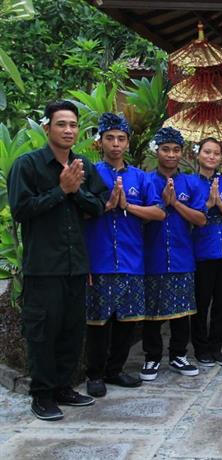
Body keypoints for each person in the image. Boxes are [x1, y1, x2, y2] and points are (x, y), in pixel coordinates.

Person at [8, 100, 108, 421]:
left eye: (73, 125)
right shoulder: (28, 165)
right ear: (47, 127)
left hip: (76, 264)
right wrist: (61, 190)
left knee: (71, 330)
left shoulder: (83, 165)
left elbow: (99, 205)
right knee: (43, 332)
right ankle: (42, 395)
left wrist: (76, 192)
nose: (68, 130)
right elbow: (22, 210)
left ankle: (64, 387)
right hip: (44, 266)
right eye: (61, 124)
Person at [84, 113, 165, 398]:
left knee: (127, 321)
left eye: (121, 139)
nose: (116, 144)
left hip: (132, 259)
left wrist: (127, 206)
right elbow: (79, 211)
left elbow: (158, 212)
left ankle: (115, 370)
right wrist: (107, 206)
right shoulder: (90, 173)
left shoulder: (140, 178)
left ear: (128, 143)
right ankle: (94, 374)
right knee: (98, 321)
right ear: (101, 142)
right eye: (110, 138)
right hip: (100, 259)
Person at [141, 127, 207, 381]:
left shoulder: (191, 182)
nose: (171, 154)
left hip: (182, 255)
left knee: (183, 311)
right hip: (152, 256)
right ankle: (151, 357)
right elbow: (136, 218)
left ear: (182, 153)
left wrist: (175, 203)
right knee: (152, 312)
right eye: (166, 149)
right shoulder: (146, 181)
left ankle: (179, 355)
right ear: (156, 151)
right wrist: (160, 204)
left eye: (176, 150)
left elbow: (201, 219)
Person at [191, 137, 222, 367]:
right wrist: (208, 205)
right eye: (207, 152)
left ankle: (216, 347)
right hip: (202, 251)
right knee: (201, 304)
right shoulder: (189, 183)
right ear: (198, 154)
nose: (212, 156)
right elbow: (189, 218)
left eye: (216, 153)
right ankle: (201, 349)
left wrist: (220, 204)